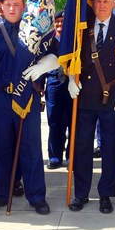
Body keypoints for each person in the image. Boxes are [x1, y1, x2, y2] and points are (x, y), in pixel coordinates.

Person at [0, 0, 57, 215]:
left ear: (24, 7)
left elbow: (56, 54)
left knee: (31, 148)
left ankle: (36, 196)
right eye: (8, 4)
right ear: (0, 7)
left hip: (28, 95)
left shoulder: (37, 29)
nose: (13, 8)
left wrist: (46, 65)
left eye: (17, 4)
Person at [68, 0, 115, 214]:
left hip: (112, 96)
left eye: (106, 1)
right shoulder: (82, 25)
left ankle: (106, 194)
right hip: (85, 96)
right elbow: (71, 55)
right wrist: (69, 78)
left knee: (110, 148)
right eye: (97, 2)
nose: (102, 6)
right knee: (82, 148)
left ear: (112, 4)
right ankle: (81, 193)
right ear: (92, 4)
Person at [45, 10, 72, 169]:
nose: (60, 24)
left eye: (63, 21)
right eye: (58, 22)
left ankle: (71, 156)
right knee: (54, 121)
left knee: (72, 121)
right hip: (54, 82)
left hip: (71, 82)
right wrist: (39, 85)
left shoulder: (74, 40)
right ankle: (55, 156)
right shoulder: (48, 41)